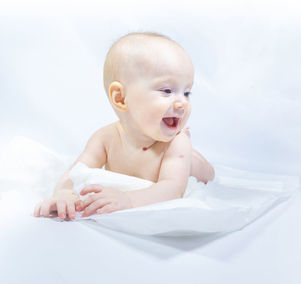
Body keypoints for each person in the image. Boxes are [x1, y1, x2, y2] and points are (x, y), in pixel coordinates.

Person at [33, 32, 215, 220]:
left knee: (204, 170)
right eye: (167, 91)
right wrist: (64, 195)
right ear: (120, 98)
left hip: (188, 166)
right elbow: (76, 173)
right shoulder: (105, 138)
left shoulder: (176, 144)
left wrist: (128, 199)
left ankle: (195, 162)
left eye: (186, 93)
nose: (182, 103)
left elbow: (172, 189)